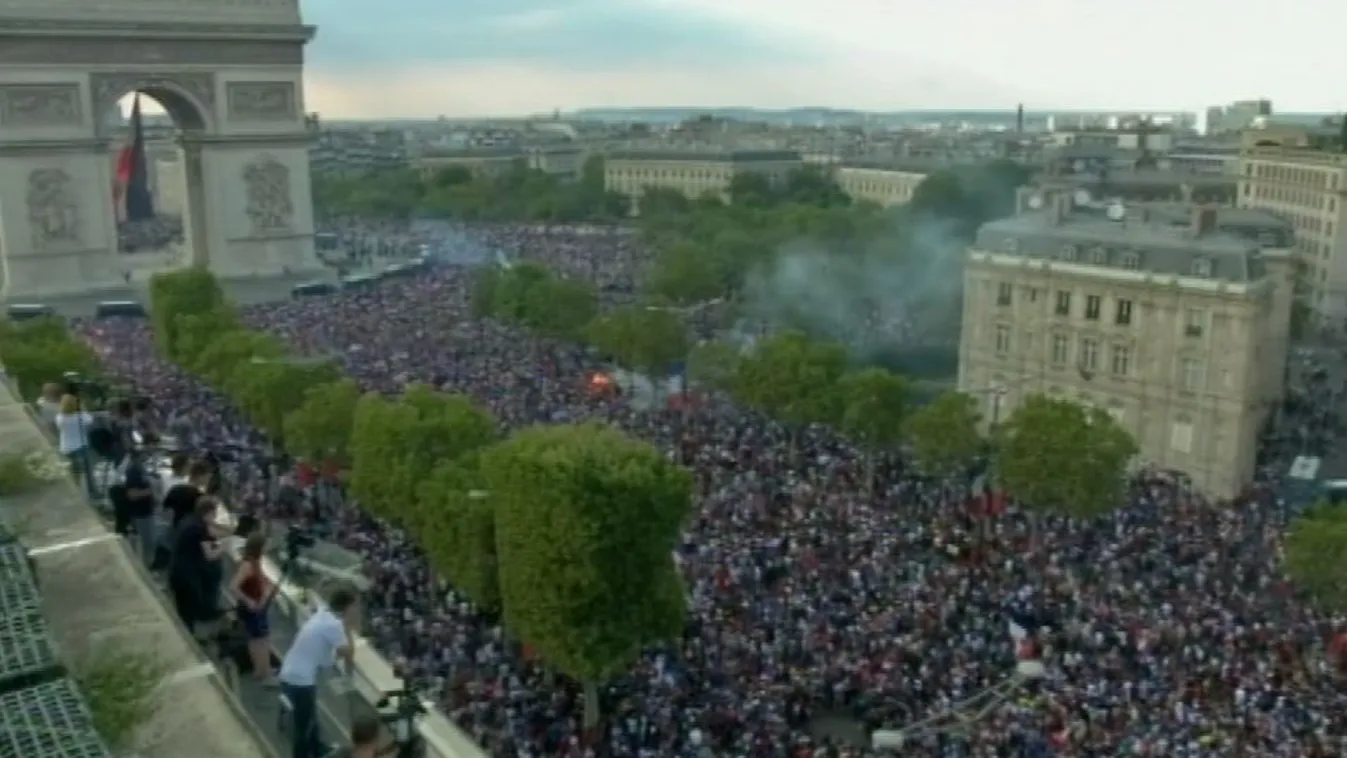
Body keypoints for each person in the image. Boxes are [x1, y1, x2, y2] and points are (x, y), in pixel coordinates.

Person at [279, 587, 359, 758]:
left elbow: (330, 655)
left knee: (310, 716)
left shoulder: (323, 614)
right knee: (304, 726)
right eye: (354, 607)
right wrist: (349, 627)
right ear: (346, 607)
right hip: (300, 680)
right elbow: (347, 652)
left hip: (290, 671)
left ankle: (317, 749)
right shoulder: (335, 625)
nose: (356, 610)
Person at [168, 495, 224, 635]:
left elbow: (210, 531)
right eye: (214, 514)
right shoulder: (198, 529)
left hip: (177, 570)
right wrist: (224, 546)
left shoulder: (190, 520)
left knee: (184, 609)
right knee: (188, 610)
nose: (215, 517)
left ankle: (187, 633)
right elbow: (210, 556)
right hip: (186, 576)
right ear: (208, 513)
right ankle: (188, 637)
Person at [231, 532, 278, 687]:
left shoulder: (255, 563)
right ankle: (265, 673)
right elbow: (234, 586)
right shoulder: (248, 565)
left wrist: (267, 590)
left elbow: (264, 581)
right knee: (261, 640)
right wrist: (249, 601)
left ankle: (261, 670)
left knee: (256, 639)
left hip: (256, 606)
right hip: (253, 608)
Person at [54, 393, 97, 499]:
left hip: (66, 448)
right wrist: (82, 409)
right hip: (81, 446)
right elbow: (91, 420)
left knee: (73, 473)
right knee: (87, 472)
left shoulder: (60, 418)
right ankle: (92, 493)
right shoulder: (81, 416)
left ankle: (75, 493)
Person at [121, 449, 158, 566]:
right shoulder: (132, 472)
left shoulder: (141, 469)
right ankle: (145, 567)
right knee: (146, 542)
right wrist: (150, 491)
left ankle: (149, 565)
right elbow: (131, 495)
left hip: (147, 511)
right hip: (139, 514)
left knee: (151, 541)